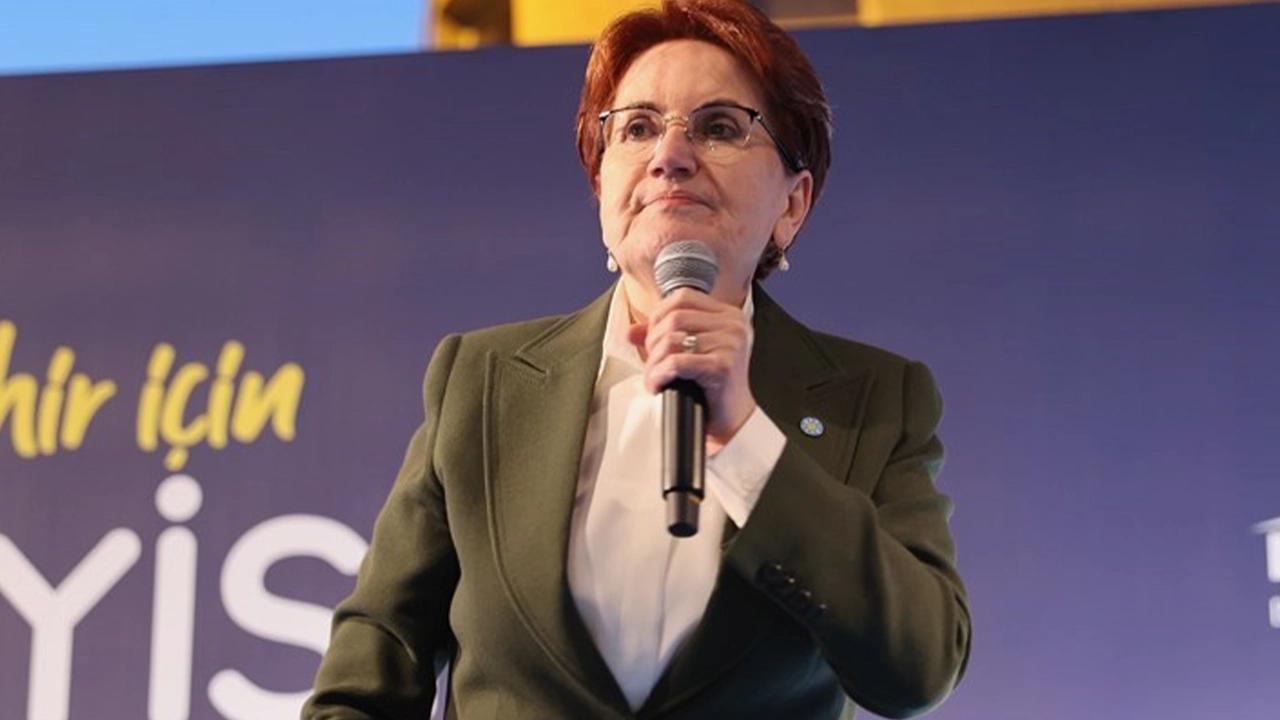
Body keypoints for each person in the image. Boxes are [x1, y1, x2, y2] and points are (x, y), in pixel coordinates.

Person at [304, 1, 971, 717]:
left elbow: (919, 666)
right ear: (602, 186)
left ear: (792, 204)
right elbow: (369, 677)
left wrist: (744, 438)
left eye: (720, 127)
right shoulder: (481, 381)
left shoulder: (872, 400)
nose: (669, 156)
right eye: (638, 127)